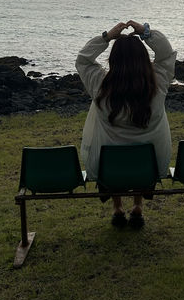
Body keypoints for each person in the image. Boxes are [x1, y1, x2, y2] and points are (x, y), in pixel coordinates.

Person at [75, 20, 177, 229]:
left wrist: (107, 37)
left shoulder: (100, 86)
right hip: (148, 169)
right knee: (140, 149)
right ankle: (138, 206)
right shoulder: (158, 85)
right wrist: (146, 33)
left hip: (109, 170)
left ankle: (118, 208)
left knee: (113, 148)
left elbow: (83, 60)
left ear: (113, 60)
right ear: (143, 59)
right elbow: (166, 54)